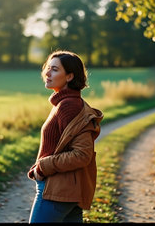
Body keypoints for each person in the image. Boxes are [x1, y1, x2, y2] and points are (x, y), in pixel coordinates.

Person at [27, 50, 103, 223]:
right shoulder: (66, 103)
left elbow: (82, 154)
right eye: (47, 67)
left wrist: (43, 166)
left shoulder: (68, 106)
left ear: (69, 76)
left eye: (54, 69)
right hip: (66, 190)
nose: (47, 72)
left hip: (59, 191)